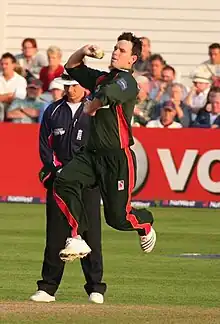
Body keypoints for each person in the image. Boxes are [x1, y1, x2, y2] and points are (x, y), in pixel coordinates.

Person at [53, 32, 156, 262]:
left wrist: (93, 105)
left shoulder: (128, 81)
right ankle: (77, 236)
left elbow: (111, 94)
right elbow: (71, 67)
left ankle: (145, 223)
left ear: (132, 59)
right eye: (115, 48)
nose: (115, 52)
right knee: (63, 181)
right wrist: (83, 50)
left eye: (122, 50)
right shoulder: (101, 78)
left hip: (117, 159)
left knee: (118, 219)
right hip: (91, 155)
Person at [30, 72, 106, 304]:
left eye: (74, 85)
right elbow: (45, 146)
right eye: (66, 86)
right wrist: (59, 171)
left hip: (87, 182)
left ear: (83, 85)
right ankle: (48, 288)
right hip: (59, 182)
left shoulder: (95, 110)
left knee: (90, 233)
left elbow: (102, 145)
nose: (69, 90)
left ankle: (95, 288)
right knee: (55, 234)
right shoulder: (53, 110)